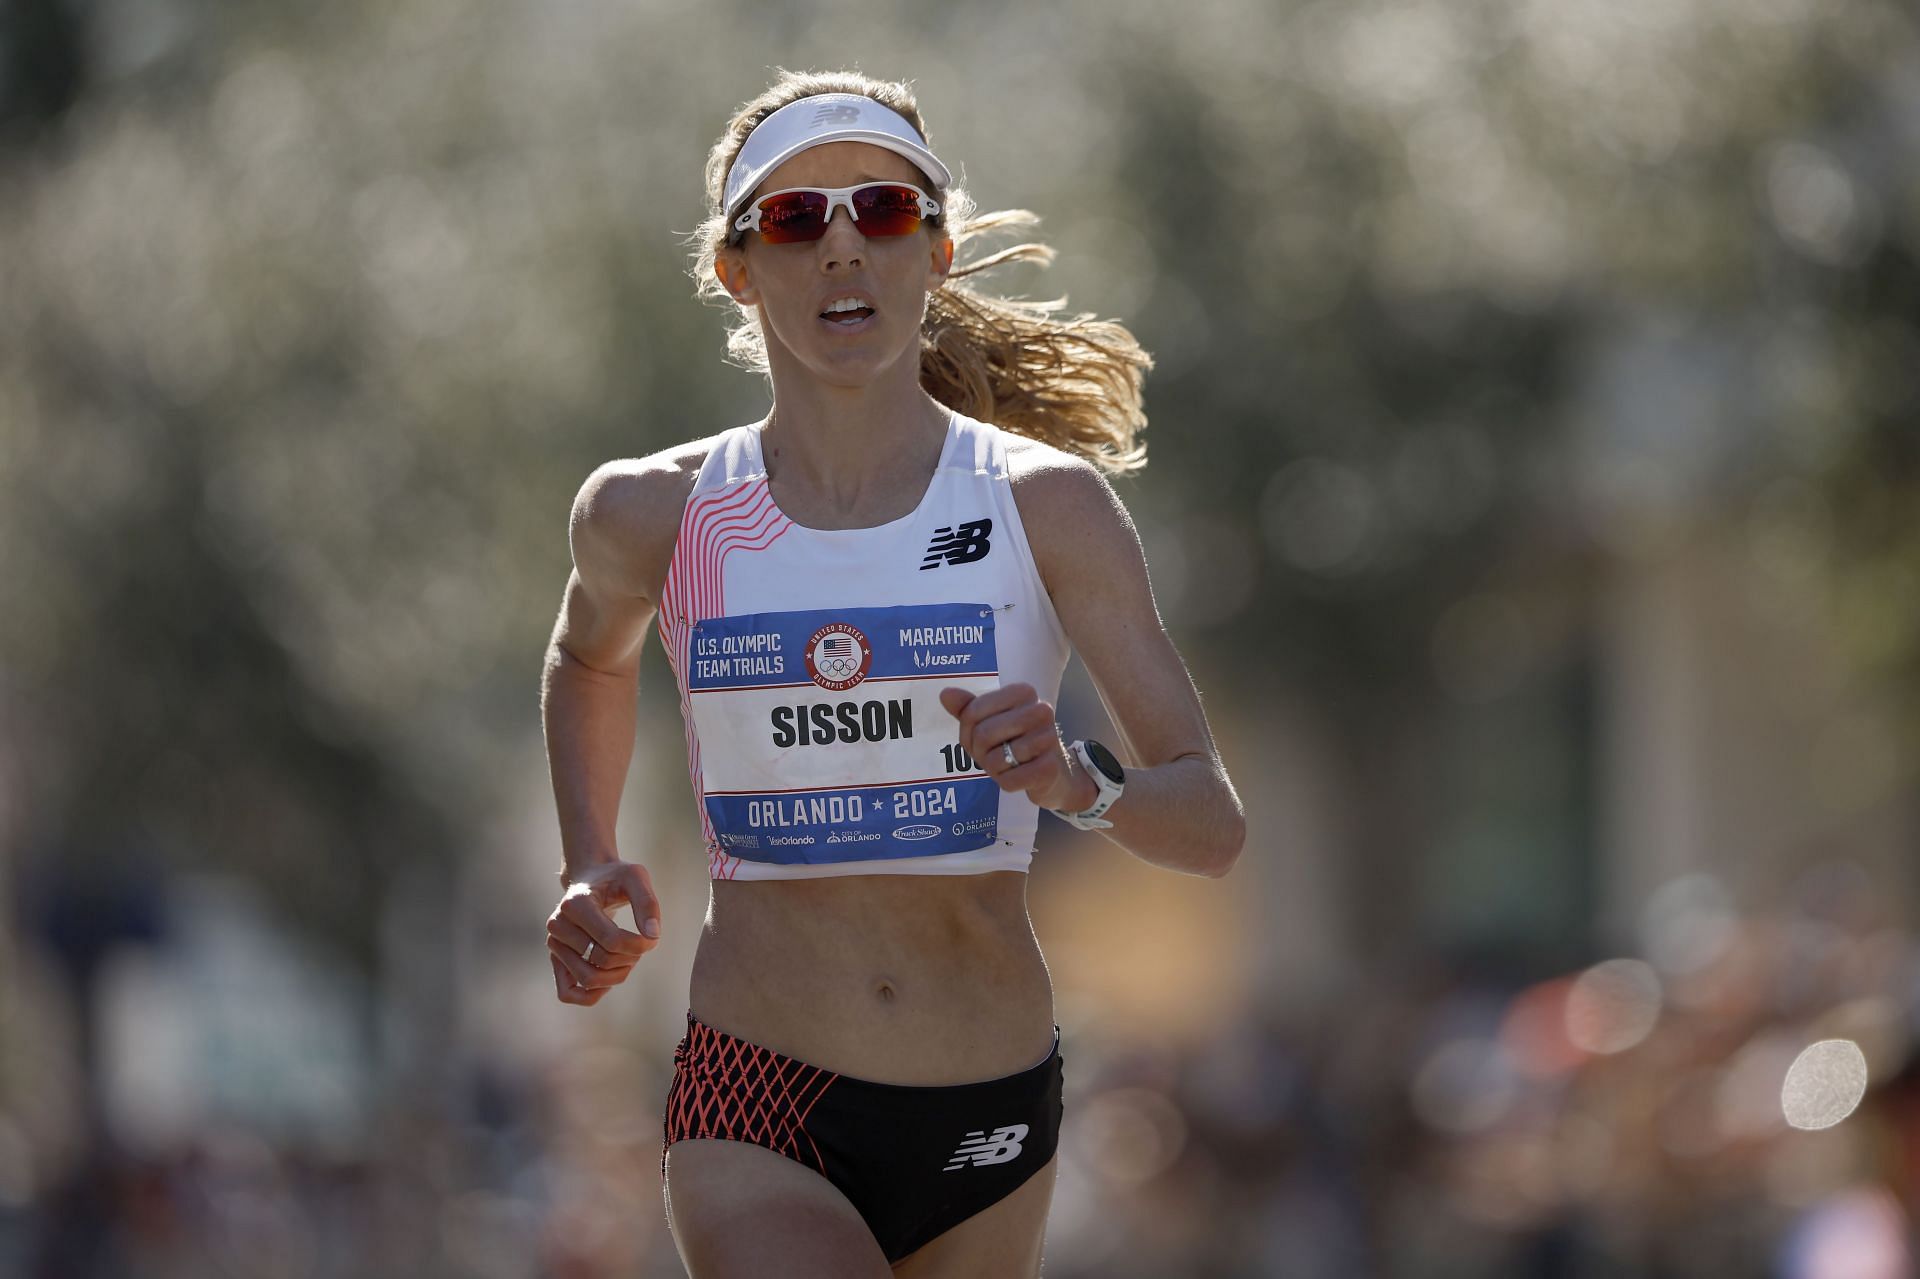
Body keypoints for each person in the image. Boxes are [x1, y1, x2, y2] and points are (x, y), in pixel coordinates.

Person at [539, 69, 1245, 1278]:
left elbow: (1210, 821)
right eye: (796, 220)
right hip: (759, 1092)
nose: (843, 247)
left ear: (938, 251)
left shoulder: (1046, 507)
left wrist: (1081, 784)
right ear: (737, 268)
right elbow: (583, 656)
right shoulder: (653, 512)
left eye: (882, 211)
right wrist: (589, 852)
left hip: (985, 1104)